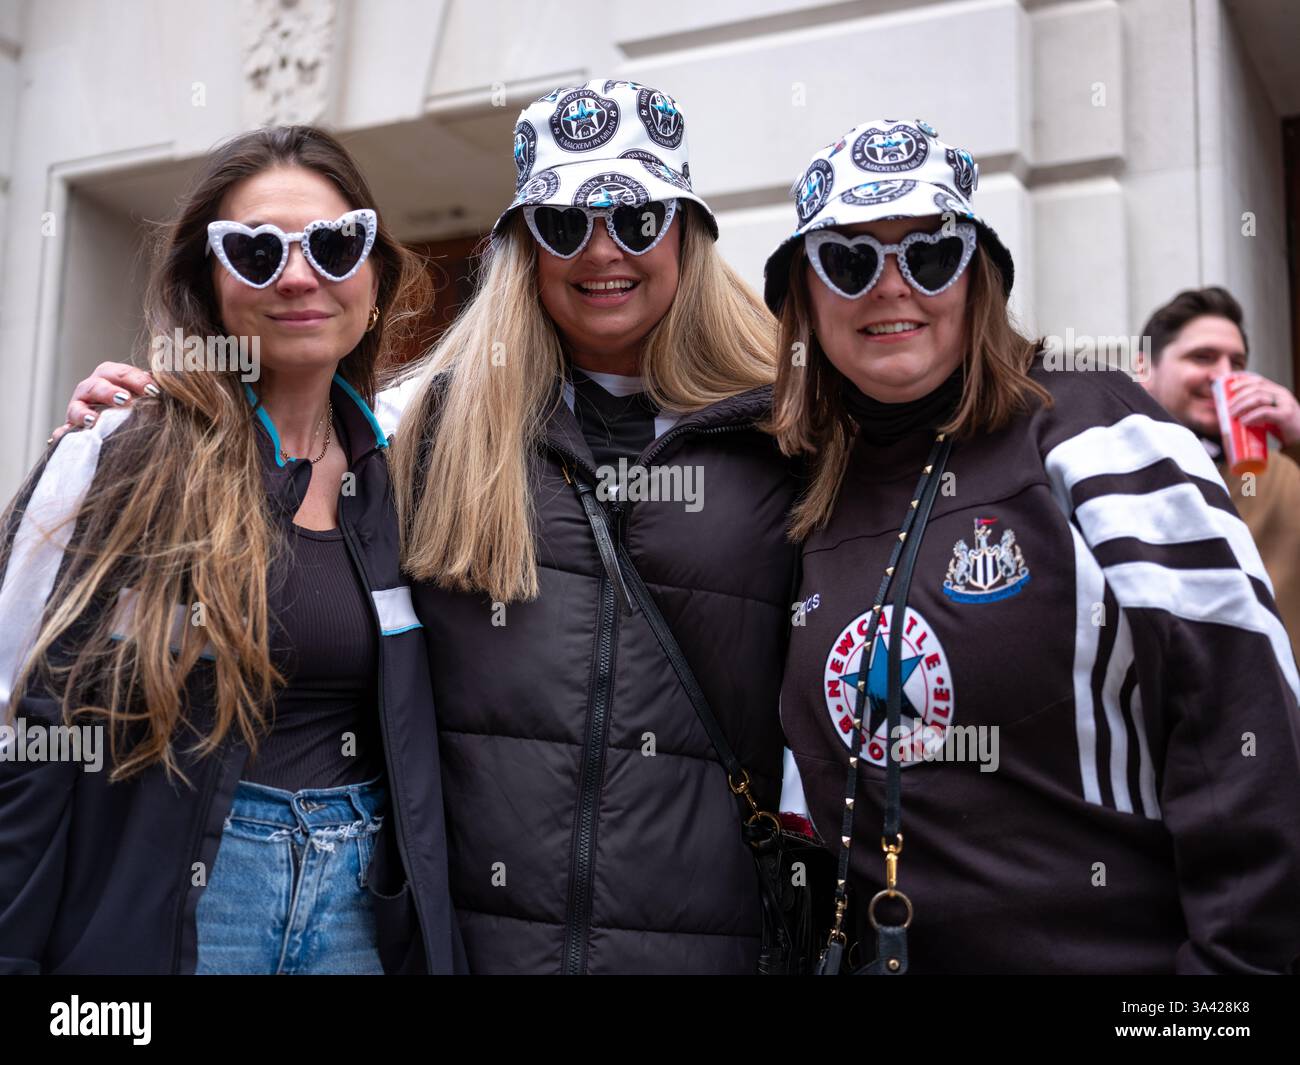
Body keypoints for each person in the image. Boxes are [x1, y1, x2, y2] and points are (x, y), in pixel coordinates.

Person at [54, 81, 801, 974]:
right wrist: (151, 408)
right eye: (563, 224)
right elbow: (289, 419)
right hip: (470, 951)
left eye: (637, 218)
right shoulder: (422, 434)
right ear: (523, 250)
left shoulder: (794, 439)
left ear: (689, 233)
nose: (603, 251)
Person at [766, 118, 1300, 973]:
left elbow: (1249, 726)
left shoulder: (1097, 429)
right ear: (805, 294)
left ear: (980, 279)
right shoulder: (804, 496)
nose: (891, 287)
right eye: (850, 258)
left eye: (932, 254)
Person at [0, 126, 462, 974]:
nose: (297, 276)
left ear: (373, 273)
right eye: (253, 251)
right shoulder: (121, 453)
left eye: (333, 244)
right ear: (208, 283)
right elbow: (26, 727)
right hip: (185, 921)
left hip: (359, 917)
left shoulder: (411, 470)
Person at [1139, 285, 1300, 663]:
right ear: (1144, 369)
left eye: (1238, 364)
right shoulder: (1111, 469)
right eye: (1203, 357)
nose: (1224, 377)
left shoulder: (1284, 474)